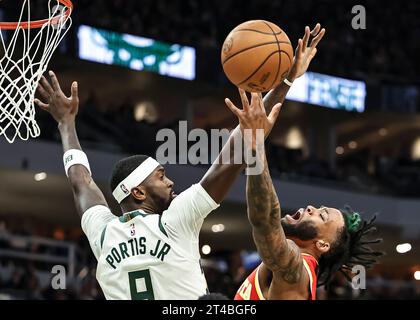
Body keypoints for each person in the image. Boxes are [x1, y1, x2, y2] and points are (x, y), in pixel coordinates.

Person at [34, 23, 324, 300]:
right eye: (160, 176)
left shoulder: (103, 233)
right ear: (138, 191)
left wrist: (65, 124)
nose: (171, 182)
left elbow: (81, 182)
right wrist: (286, 82)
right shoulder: (174, 222)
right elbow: (231, 158)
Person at [231, 27, 383, 301]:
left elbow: (265, 221)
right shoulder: (285, 268)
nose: (312, 207)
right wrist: (288, 80)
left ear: (322, 244)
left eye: (321, 215)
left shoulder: (296, 270)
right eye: (319, 209)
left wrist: (256, 144)